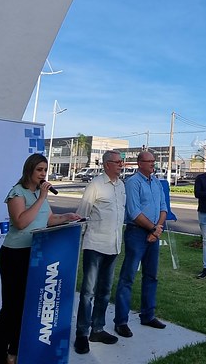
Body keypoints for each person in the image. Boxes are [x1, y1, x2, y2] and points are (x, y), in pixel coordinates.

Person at [0, 153, 80, 364]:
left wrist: (66, 217)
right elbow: (21, 222)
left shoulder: (39, 194)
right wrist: (41, 198)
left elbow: (49, 219)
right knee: (11, 308)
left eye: (45, 170)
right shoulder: (18, 193)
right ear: (29, 170)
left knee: (26, 306)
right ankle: (0, 356)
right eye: (39, 170)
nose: (43, 174)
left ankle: (14, 352)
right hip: (14, 254)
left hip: (35, 254)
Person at [73, 150, 126, 355]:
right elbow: (82, 215)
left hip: (114, 246)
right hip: (95, 246)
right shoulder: (95, 185)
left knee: (105, 291)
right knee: (88, 292)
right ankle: (82, 334)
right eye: (117, 162)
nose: (121, 165)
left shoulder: (121, 186)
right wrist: (78, 241)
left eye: (121, 162)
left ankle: (97, 329)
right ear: (106, 164)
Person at [114, 151, 168, 338]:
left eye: (154, 160)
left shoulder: (156, 182)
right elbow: (134, 212)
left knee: (151, 276)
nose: (153, 164)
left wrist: (156, 230)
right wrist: (153, 229)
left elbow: (163, 208)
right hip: (137, 233)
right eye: (149, 161)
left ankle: (148, 315)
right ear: (139, 163)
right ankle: (121, 321)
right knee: (128, 277)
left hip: (154, 233)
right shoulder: (133, 183)